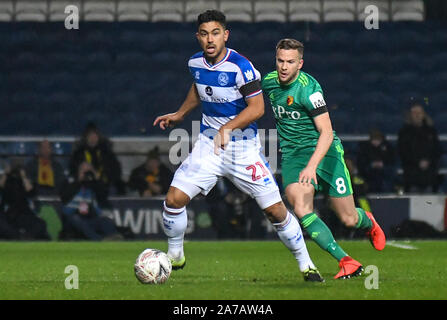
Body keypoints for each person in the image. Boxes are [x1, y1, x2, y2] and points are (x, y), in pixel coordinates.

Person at [153, 10, 323, 282]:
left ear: (225, 35)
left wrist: (227, 127)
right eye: (205, 33)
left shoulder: (242, 67)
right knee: (173, 200)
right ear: (198, 37)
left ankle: (307, 265)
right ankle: (175, 256)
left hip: (243, 149)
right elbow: (199, 89)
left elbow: (257, 108)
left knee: (275, 211)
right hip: (209, 145)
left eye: (216, 33)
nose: (210, 39)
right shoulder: (195, 62)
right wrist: (180, 113)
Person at [261, 38, 386, 279]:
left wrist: (312, 166)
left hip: (325, 152)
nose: (284, 67)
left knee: (349, 219)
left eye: (290, 62)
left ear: (300, 63)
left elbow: (326, 133)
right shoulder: (268, 82)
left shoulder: (310, 89)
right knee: (301, 208)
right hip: (294, 156)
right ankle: (345, 260)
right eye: (280, 61)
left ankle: (368, 221)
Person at [60, 161, 122, 241]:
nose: (86, 174)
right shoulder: (71, 182)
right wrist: (78, 181)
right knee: (77, 220)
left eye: (88, 171)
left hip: (90, 219)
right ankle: (99, 240)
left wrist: (96, 178)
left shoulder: (93, 186)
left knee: (105, 221)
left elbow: (103, 195)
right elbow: (64, 197)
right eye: (84, 171)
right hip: (72, 217)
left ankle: (114, 237)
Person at [69, 122, 125, 196]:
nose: (92, 139)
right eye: (90, 136)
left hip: (105, 188)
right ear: (85, 138)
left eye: (95, 136)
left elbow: (115, 173)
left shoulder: (107, 153)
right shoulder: (78, 154)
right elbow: (73, 173)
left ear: (99, 137)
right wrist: (80, 174)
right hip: (84, 187)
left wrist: (95, 173)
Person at [398, 102, 442, 193]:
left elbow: (437, 150)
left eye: (419, 112)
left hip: (429, 176)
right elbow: (403, 151)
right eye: (414, 112)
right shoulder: (404, 132)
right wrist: (417, 162)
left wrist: (428, 161)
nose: (417, 115)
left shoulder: (431, 131)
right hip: (411, 175)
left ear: (424, 114)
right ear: (410, 115)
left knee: (429, 203)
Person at [0, 161, 49, 240]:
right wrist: (6, 173)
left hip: (24, 212)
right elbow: (0, 187)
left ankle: (26, 237)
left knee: (41, 224)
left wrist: (23, 176)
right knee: (3, 225)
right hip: (8, 212)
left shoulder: (25, 181)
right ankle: (18, 236)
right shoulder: (6, 180)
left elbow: (30, 191)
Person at [357, 128, 395, 193]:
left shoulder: (388, 148)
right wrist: (371, 165)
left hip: (384, 174)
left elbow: (392, 161)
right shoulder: (365, 148)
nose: (376, 141)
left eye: (378, 139)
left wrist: (383, 164)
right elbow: (362, 163)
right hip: (369, 174)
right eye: (374, 139)